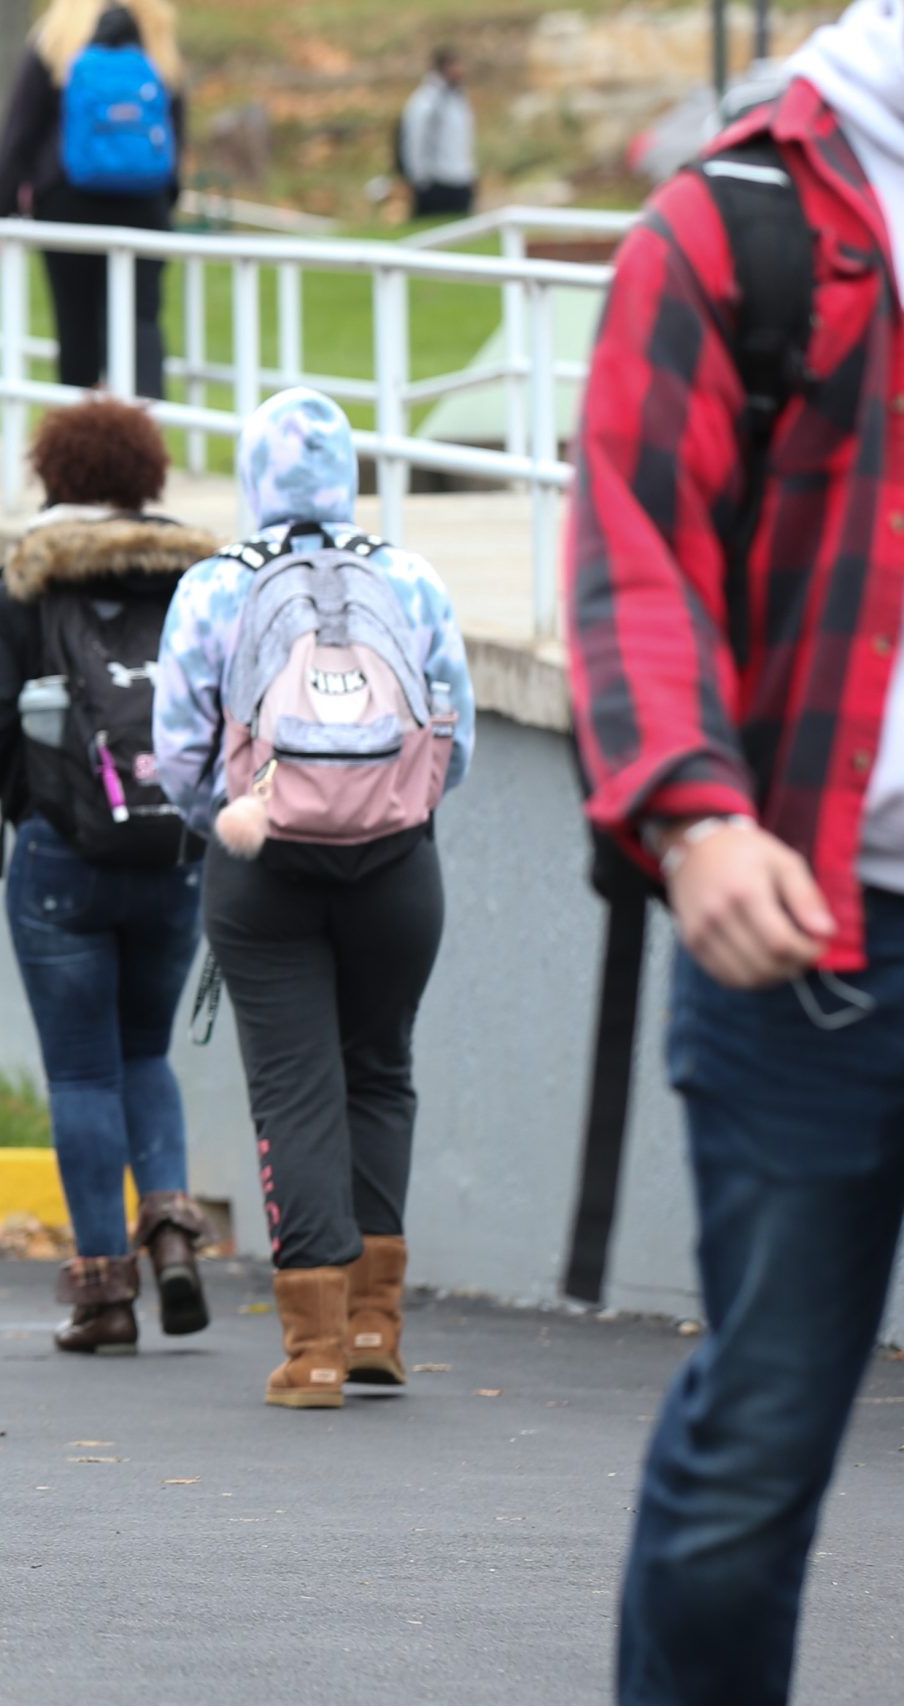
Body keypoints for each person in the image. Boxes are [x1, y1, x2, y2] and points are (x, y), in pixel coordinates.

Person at [568, 8, 904, 1698]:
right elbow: (634, 558)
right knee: (762, 1444)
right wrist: (695, 816)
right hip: (819, 940)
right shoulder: (733, 228)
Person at [152, 387, 474, 1409]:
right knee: (379, 1071)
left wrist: (243, 815)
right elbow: (453, 737)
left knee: (293, 1084)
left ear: (252, 477)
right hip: (398, 865)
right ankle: (378, 1323)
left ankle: (315, 1351)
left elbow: (174, 756)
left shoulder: (213, 587)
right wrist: (385, 806)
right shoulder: (410, 577)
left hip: (264, 870)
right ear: (349, 474)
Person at [0, 399, 220, 1352]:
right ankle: (176, 1228)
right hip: (179, 849)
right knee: (147, 1054)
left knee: (85, 1070)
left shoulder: (21, 587)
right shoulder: (196, 584)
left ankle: (105, 1293)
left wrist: (46, 795)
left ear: (52, 477)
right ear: (148, 477)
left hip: (63, 859)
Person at [0, 0, 185, 401]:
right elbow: (175, 125)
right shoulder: (156, 36)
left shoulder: (58, 34)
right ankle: (143, 430)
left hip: (66, 200)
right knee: (140, 319)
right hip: (144, 202)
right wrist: (168, 195)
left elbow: (21, 129)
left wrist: (1, 207)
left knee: (75, 322)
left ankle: (82, 440)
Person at [398, 47, 476, 219]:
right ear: (443, 68)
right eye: (456, 65)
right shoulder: (425, 100)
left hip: (461, 180)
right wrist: (420, 180)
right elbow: (414, 141)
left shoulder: (459, 97)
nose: (461, 70)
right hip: (436, 183)